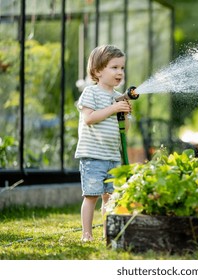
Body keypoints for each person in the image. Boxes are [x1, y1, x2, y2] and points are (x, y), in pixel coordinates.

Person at [75, 45, 132, 242]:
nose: (119, 72)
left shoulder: (117, 97)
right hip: (93, 156)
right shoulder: (91, 93)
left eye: (122, 68)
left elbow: (125, 130)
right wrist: (114, 108)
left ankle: (108, 233)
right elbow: (89, 118)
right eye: (114, 67)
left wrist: (123, 113)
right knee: (91, 196)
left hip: (112, 156)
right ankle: (86, 234)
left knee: (111, 197)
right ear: (98, 71)